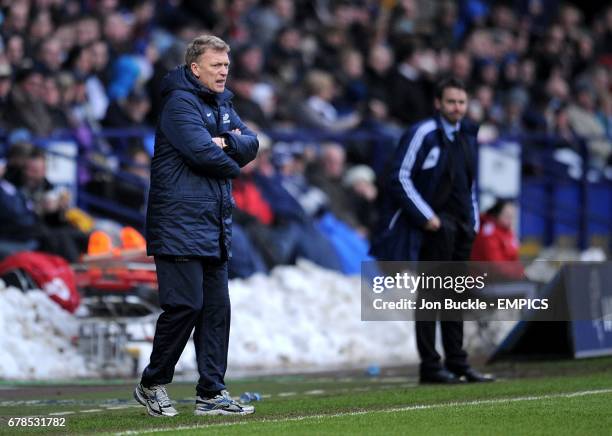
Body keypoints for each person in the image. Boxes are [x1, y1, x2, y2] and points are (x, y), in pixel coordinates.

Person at [133, 35, 259, 417]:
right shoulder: (179, 103)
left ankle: (211, 392)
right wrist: (228, 153)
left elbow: (252, 142)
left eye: (226, 64)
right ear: (195, 68)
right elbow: (203, 153)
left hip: (213, 222)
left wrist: (226, 145)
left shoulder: (222, 104)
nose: (224, 71)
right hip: (178, 223)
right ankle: (152, 382)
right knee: (185, 306)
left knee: (216, 310)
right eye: (217, 65)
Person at [371, 77, 494, 384]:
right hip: (435, 229)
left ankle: (457, 361)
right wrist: (428, 218)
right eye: (451, 101)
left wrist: (474, 220)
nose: (457, 108)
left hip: (462, 228)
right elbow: (398, 176)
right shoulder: (423, 133)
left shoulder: (467, 135)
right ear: (438, 103)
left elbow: (470, 183)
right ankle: (431, 364)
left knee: (455, 296)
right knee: (431, 295)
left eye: (462, 102)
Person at [471, 199, 525, 280]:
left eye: (512, 216)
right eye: (507, 216)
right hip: (484, 279)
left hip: (500, 277)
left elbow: (514, 257)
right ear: (497, 214)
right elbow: (496, 266)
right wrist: (518, 272)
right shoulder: (489, 233)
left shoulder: (507, 231)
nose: (510, 220)